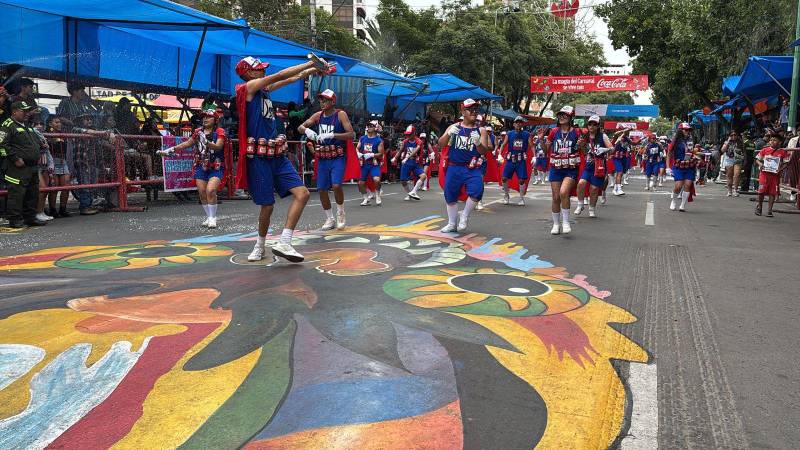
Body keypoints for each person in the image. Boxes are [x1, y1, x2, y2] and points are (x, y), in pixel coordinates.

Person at [234, 56, 324, 263]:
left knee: (302, 194)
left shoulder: (263, 90)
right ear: (248, 73)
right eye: (259, 69)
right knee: (267, 205)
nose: (263, 72)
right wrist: (312, 63)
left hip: (276, 153)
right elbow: (282, 74)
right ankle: (260, 245)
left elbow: (293, 78)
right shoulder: (247, 87)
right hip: (258, 157)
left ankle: (284, 241)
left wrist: (313, 71)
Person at [159, 107, 227, 228]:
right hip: (201, 165)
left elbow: (218, 147)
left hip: (216, 166)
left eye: (208, 117)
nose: (205, 119)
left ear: (215, 120)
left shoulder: (220, 131)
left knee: (210, 190)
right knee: (201, 193)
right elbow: (187, 143)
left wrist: (205, 142)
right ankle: (209, 216)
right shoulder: (198, 132)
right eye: (204, 117)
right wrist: (171, 149)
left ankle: (213, 217)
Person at [298, 89, 355, 231]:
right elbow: (300, 127)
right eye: (321, 100)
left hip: (337, 156)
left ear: (332, 101)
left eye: (326, 100)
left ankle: (340, 212)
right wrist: (307, 131)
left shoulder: (340, 114)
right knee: (321, 189)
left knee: (336, 185)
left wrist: (332, 135)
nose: (322, 102)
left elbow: (351, 134)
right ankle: (329, 218)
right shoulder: (318, 115)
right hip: (322, 157)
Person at [437, 98, 491, 233]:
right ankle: (451, 223)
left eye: (475, 109)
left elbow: (484, 151)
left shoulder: (481, 130)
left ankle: (465, 215)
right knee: (450, 195)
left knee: (477, 191)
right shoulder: (454, 127)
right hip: (454, 166)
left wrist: (478, 142)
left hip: (472, 167)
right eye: (470, 109)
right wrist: (448, 134)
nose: (473, 112)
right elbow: (441, 144)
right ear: (463, 111)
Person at [0, 101, 46, 227]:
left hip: (31, 166)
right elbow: (2, 145)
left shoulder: (27, 126)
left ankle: (30, 217)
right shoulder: (8, 125)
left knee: (32, 193)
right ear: (14, 111)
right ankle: (15, 220)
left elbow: (33, 142)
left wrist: (41, 145)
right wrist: (15, 159)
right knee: (17, 193)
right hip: (16, 167)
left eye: (27, 111)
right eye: (23, 111)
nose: (26, 113)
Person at [545, 105, 581, 234]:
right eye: (560, 115)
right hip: (556, 167)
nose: (561, 117)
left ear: (571, 117)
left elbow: (585, 150)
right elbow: (546, 150)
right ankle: (555, 224)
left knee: (564, 192)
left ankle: (566, 222)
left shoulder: (577, 132)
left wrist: (582, 145)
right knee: (555, 197)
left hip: (570, 168)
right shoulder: (553, 131)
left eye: (564, 115)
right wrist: (542, 141)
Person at [575, 115, 612, 218]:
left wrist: (605, 150)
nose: (591, 126)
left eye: (594, 124)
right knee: (581, 183)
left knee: (594, 188)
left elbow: (612, 148)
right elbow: (584, 152)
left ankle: (592, 209)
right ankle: (580, 204)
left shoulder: (602, 136)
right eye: (590, 124)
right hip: (588, 166)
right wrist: (581, 145)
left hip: (599, 166)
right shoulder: (584, 136)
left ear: (598, 126)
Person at [755, 132, 795, 217]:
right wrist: (760, 164)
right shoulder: (764, 150)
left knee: (772, 193)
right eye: (771, 140)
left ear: (779, 142)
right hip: (764, 174)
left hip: (775, 176)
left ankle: (769, 210)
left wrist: (780, 169)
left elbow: (786, 163)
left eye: (775, 140)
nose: (772, 141)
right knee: (761, 192)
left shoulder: (783, 152)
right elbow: (757, 159)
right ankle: (759, 207)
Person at [500, 116, 533, 206]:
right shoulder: (509, 134)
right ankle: (506, 195)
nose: (518, 124)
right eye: (517, 122)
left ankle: (521, 198)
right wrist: (499, 154)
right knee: (504, 178)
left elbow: (532, 146)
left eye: (520, 122)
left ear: (522, 124)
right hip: (510, 159)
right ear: (514, 124)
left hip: (521, 160)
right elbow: (503, 144)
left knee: (522, 180)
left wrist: (535, 157)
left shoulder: (527, 134)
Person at [668, 122, 699, 212]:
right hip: (679, 165)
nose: (688, 131)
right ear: (680, 130)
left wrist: (700, 155)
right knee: (678, 186)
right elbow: (669, 154)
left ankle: (682, 205)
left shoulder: (691, 140)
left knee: (688, 185)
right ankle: (673, 201)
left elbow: (692, 152)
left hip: (689, 164)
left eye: (689, 130)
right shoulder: (675, 141)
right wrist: (667, 167)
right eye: (686, 130)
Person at [45, 116, 71, 217]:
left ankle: (63, 209)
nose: (59, 124)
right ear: (50, 124)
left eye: (60, 122)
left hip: (63, 161)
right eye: (56, 122)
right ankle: (53, 210)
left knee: (66, 186)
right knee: (54, 187)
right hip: (52, 162)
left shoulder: (63, 134)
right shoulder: (47, 135)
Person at [395, 124, 427, 201]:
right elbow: (400, 150)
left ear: (414, 133)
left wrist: (407, 157)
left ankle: (413, 191)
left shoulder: (418, 141)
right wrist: (395, 158)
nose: (408, 136)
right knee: (403, 181)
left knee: (423, 176)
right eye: (407, 134)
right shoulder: (405, 141)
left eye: (409, 134)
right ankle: (409, 194)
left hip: (415, 162)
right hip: (406, 162)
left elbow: (416, 149)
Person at [356, 120, 384, 206]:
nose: (369, 127)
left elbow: (381, 154)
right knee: (360, 183)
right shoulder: (362, 138)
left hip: (373, 164)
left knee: (376, 180)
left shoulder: (379, 140)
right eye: (368, 125)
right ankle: (365, 198)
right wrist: (358, 153)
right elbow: (357, 148)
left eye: (371, 126)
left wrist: (372, 155)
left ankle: (377, 194)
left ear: (375, 128)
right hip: (363, 163)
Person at [720, 130, 745, 197]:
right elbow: (722, 150)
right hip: (729, 159)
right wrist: (728, 141)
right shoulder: (727, 142)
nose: (733, 136)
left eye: (735, 135)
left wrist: (745, 159)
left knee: (737, 174)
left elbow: (744, 151)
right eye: (732, 135)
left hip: (738, 159)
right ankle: (729, 191)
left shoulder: (740, 142)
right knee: (729, 175)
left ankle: (735, 190)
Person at [611, 127, 633, 196]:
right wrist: (626, 130)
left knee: (620, 174)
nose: (628, 132)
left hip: (624, 158)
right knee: (619, 172)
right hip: (616, 158)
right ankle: (619, 189)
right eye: (626, 131)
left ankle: (615, 189)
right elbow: (616, 133)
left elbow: (633, 143)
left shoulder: (627, 139)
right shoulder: (617, 137)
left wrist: (642, 140)